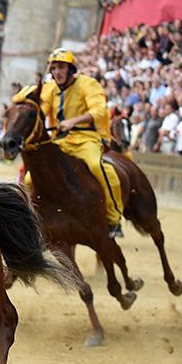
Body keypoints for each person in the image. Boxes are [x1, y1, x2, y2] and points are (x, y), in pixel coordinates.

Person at [39, 48, 125, 239]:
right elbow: (41, 110)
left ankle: (114, 218)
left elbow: (100, 111)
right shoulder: (49, 89)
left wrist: (74, 121)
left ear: (71, 69)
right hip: (60, 142)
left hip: (87, 139)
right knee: (30, 178)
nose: (56, 72)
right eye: (53, 68)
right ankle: (37, 221)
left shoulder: (88, 83)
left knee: (98, 166)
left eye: (61, 67)